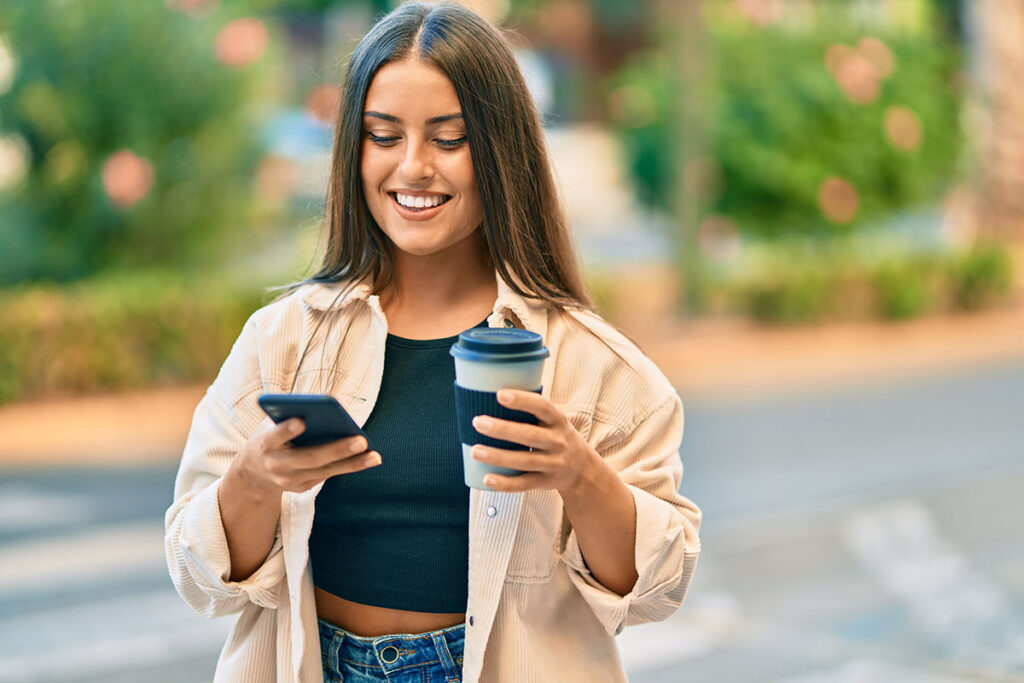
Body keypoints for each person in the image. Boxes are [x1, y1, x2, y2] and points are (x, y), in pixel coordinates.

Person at [164, 2, 701, 682]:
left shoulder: (595, 366)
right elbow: (196, 574)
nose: (412, 167)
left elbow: (656, 588)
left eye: (449, 139)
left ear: (501, 150)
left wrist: (577, 471)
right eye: (383, 136)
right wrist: (254, 478)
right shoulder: (284, 339)